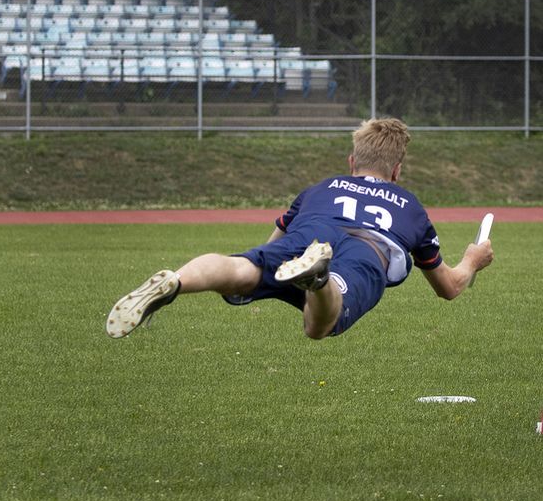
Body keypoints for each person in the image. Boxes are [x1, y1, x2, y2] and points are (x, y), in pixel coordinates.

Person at [106, 117, 494, 340]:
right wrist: (473, 260)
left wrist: (258, 279)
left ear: (351, 160)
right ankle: (320, 278)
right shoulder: (410, 206)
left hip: (309, 233)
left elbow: (272, 243)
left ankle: (176, 280)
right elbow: (448, 286)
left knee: (243, 268)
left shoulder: (321, 188)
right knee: (318, 325)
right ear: (396, 171)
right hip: (367, 249)